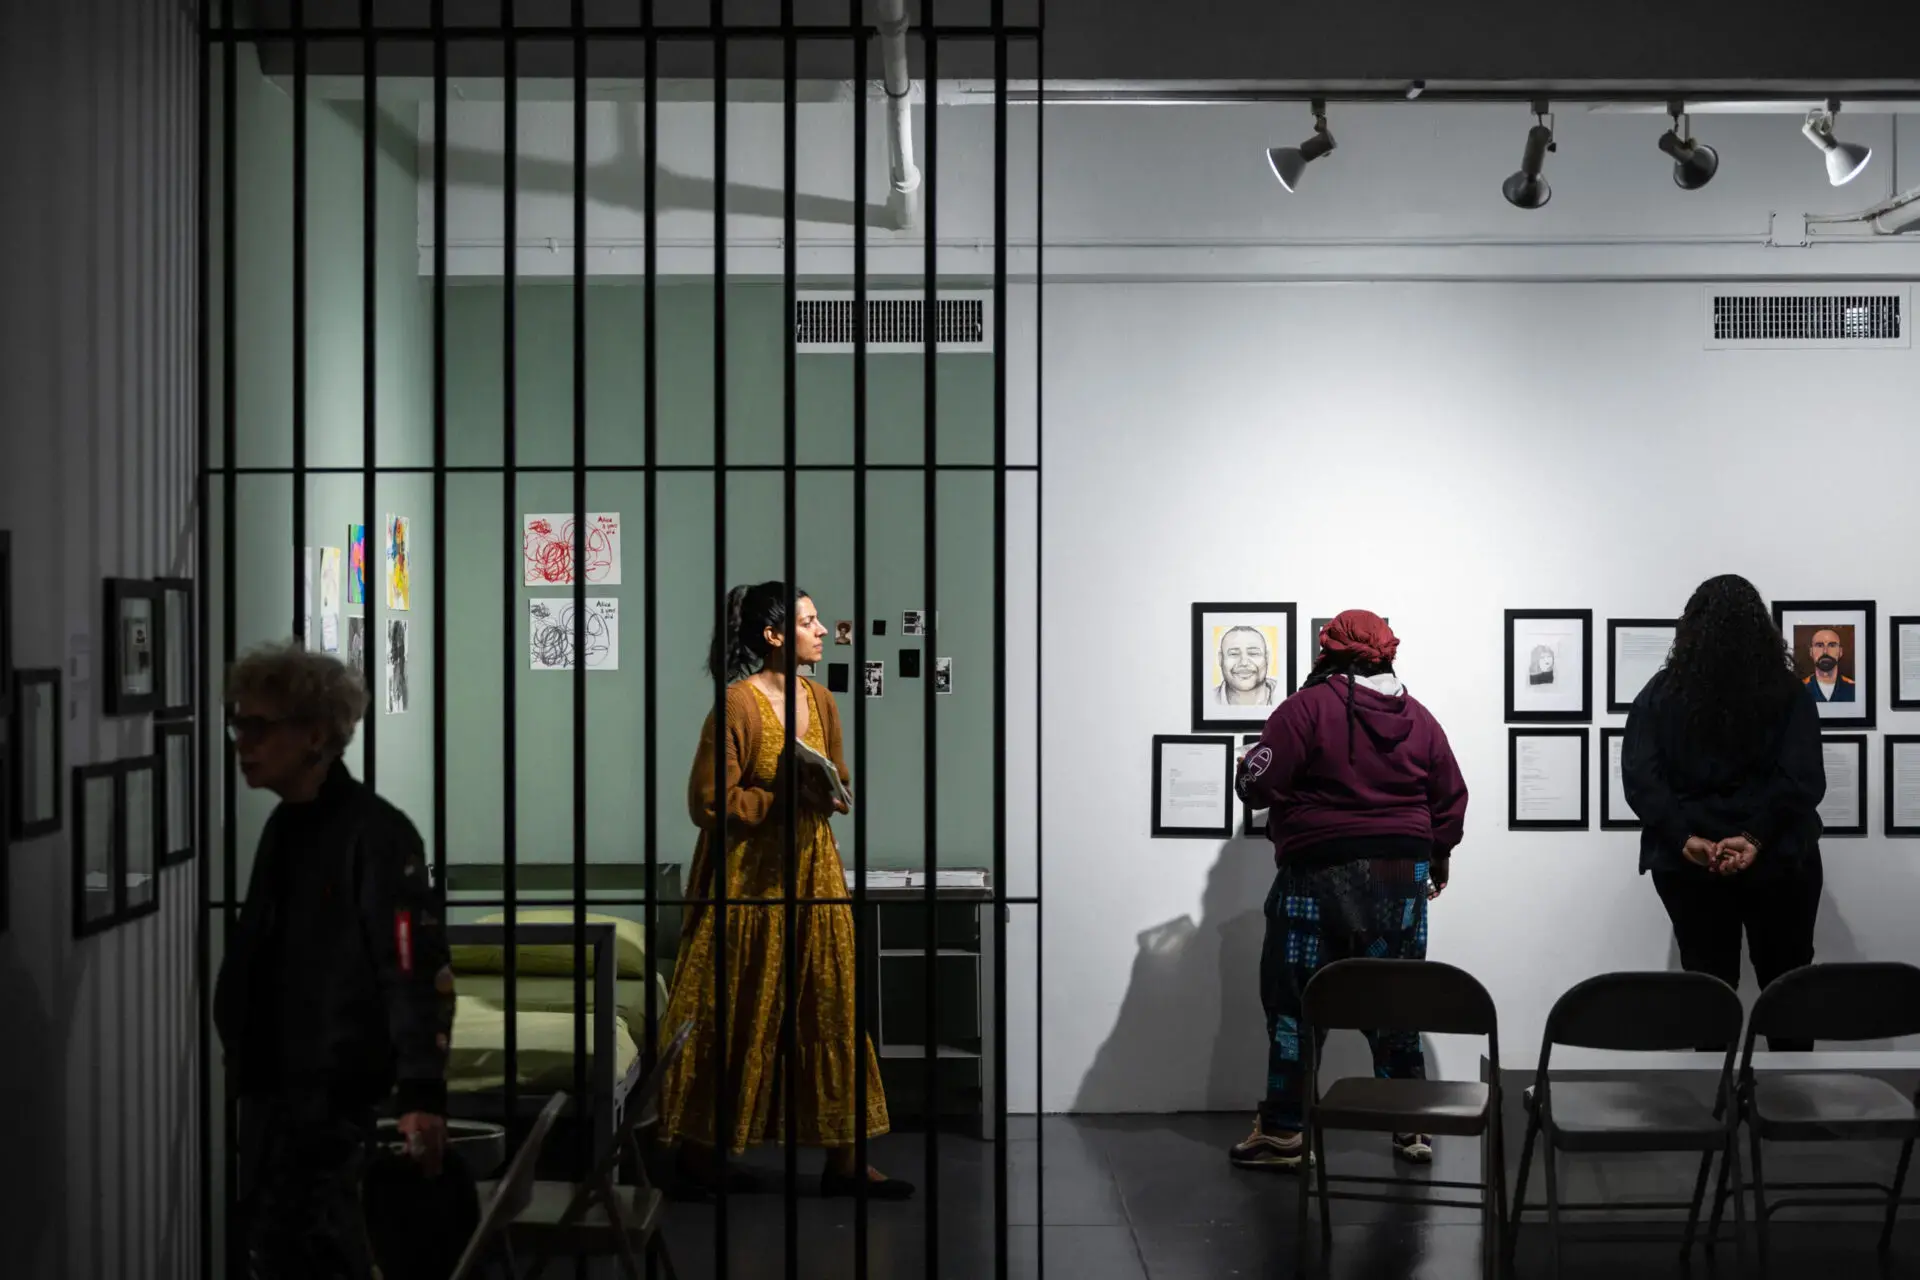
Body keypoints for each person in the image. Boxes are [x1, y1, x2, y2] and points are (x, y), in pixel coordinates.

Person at [658, 582, 912, 1199]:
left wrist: (829, 789)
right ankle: (699, 1158)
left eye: (819, 621)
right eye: (809, 621)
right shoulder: (737, 707)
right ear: (774, 636)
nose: (822, 630)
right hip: (749, 880)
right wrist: (778, 797)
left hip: (813, 873)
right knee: (734, 1007)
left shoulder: (821, 699)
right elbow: (707, 801)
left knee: (831, 1004)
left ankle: (846, 1164)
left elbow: (839, 775)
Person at [213, 642, 454, 1278]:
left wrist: (421, 1092)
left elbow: (412, 966)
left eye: (258, 726)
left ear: (315, 733)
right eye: (238, 724)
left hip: (341, 1106)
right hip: (275, 1095)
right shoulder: (285, 827)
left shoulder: (374, 834)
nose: (242, 742)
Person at [1229, 611, 1469, 1171]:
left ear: (1328, 651)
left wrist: (1246, 770)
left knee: (1294, 1001)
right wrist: (1438, 852)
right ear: (1386, 654)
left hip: (1317, 875)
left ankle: (1286, 1131)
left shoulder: (1304, 709)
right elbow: (1451, 795)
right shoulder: (1421, 718)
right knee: (1396, 997)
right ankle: (1409, 1125)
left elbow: (1257, 785)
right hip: (1399, 881)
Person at [1622, 574, 1826, 1047]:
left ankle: (1715, 1116)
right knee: (1788, 990)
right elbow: (1802, 780)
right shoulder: (1788, 692)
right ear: (1761, 628)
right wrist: (1754, 837)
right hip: (1779, 858)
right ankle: (1789, 1114)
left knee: (1709, 993)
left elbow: (1641, 776)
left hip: (1692, 863)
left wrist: (1684, 838)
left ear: (1690, 627)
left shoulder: (1661, 693)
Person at [1214, 625, 1283, 706]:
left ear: (1267, 658)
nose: (1244, 662)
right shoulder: (1209, 700)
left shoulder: (1285, 698)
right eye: (1234, 654)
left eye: (1253, 653)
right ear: (1220, 659)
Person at [1803, 628, 1856, 702]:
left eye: (1832, 645)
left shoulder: (1854, 688)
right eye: (1819, 645)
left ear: (1840, 652)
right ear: (1811, 652)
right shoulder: (1800, 688)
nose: (1825, 651)